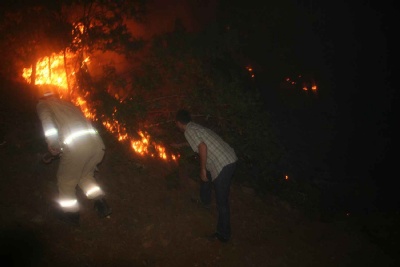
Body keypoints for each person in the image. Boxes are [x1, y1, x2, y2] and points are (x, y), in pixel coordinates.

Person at [36, 87, 112, 226]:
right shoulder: (67, 104)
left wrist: (53, 145)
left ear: (41, 97)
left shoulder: (44, 105)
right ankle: (101, 203)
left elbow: (49, 126)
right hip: (97, 145)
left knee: (66, 181)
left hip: (77, 148)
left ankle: (71, 215)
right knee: (84, 176)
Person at [175, 109, 238, 243]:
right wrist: (181, 144)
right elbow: (199, 142)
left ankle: (223, 234)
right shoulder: (194, 127)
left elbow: (202, 147)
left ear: (179, 123)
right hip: (229, 157)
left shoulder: (188, 131)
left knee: (222, 202)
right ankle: (205, 201)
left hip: (223, 164)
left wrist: (202, 169)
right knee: (205, 177)